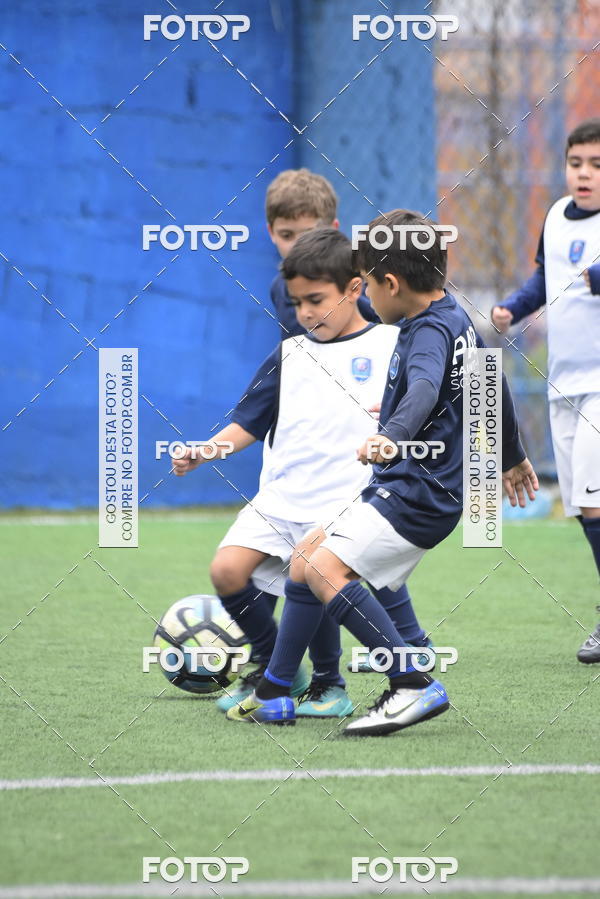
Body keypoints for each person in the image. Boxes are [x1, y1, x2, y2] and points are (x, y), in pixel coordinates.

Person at [228, 209, 538, 735]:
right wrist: (512, 455)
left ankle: (410, 684)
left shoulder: (427, 335)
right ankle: (277, 692)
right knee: (306, 559)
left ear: (391, 283)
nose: (366, 295)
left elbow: (420, 390)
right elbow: (494, 382)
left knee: (325, 569)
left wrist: (390, 436)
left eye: (368, 283)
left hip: (418, 492)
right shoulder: (454, 316)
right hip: (413, 489)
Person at [174, 228, 402, 718]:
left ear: (354, 289)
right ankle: (281, 664)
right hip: (280, 497)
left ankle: (328, 685)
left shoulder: (392, 346)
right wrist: (206, 450)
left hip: (346, 499)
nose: (306, 313)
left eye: (316, 300)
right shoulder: (290, 354)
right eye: (297, 303)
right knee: (227, 570)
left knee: (310, 574)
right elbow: (248, 422)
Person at [266, 167, 431, 675]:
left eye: (309, 231)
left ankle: (302, 677)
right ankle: (319, 671)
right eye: (286, 234)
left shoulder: (368, 302)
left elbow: (401, 360)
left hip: (371, 441)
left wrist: (395, 425)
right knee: (324, 556)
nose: (297, 243)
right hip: (322, 440)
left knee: (332, 554)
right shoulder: (285, 290)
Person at [492, 118, 600, 664]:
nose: (585, 174)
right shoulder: (557, 217)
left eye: (597, 166)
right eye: (577, 163)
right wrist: (514, 306)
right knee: (584, 507)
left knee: (595, 500)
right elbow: (543, 279)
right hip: (564, 382)